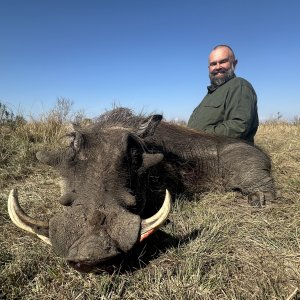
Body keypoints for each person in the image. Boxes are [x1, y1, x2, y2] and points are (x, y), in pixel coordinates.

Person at [187, 45, 258, 144]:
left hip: (226, 155)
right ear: (209, 68)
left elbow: (239, 126)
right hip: (197, 150)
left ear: (234, 63)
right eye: (213, 64)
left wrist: (197, 136)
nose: (218, 67)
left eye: (223, 62)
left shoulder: (239, 85)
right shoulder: (211, 94)